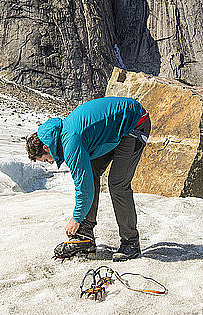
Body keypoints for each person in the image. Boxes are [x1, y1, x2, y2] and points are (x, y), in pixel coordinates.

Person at [26, 96, 151, 261]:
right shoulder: (62, 134)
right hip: (117, 126)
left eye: (45, 159)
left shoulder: (71, 143)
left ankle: (130, 243)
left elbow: (84, 189)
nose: (50, 162)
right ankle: (85, 237)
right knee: (91, 171)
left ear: (46, 147)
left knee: (117, 185)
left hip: (135, 123)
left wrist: (76, 218)